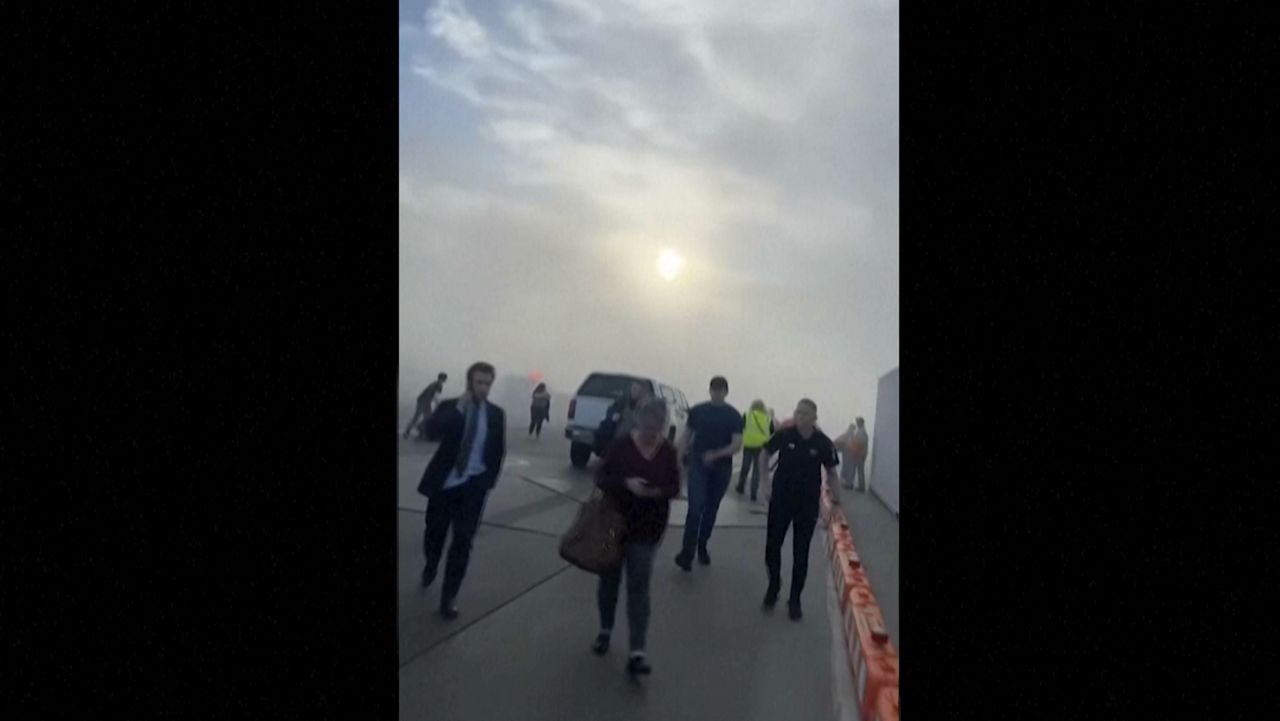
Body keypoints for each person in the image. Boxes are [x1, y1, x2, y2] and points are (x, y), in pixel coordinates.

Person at [591, 398, 680, 676]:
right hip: (614, 523)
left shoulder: (667, 452)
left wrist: (654, 492)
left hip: (647, 530)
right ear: (639, 422)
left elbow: (674, 487)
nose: (651, 434)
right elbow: (601, 478)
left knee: (639, 588)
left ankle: (637, 651)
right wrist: (626, 483)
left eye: (657, 429)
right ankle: (605, 630)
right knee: (609, 580)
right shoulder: (621, 446)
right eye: (647, 428)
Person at [416, 362, 507, 620]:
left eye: (487, 383)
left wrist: (488, 482)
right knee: (434, 532)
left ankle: (449, 597)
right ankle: (431, 563)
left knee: (463, 541)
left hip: (473, 487)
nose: (483, 388)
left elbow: (498, 451)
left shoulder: (496, 414)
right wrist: (458, 409)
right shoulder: (450, 407)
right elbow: (431, 432)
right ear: (470, 382)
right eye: (479, 382)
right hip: (445, 484)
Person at [760, 399, 839, 621]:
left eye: (805, 413)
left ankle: (795, 599)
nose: (800, 416)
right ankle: (774, 585)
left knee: (800, 554)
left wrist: (836, 504)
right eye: (798, 412)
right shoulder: (785, 435)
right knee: (772, 547)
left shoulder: (823, 443)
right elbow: (764, 453)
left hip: (807, 504)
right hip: (781, 500)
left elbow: (832, 473)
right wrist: (764, 482)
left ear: (814, 417)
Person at [674, 376, 742, 571]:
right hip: (698, 464)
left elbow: (736, 445)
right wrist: (678, 457)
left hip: (721, 468)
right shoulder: (697, 411)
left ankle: (702, 544)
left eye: (720, 389)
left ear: (726, 392)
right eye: (714, 389)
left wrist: (716, 454)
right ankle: (687, 553)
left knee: (711, 508)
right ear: (710, 390)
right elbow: (686, 436)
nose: (717, 392)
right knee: (695, 508)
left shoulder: (733, 416)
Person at [736, 399, 775, 501]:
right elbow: (772, 432)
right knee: (757, 470)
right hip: (761, 446)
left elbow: (740, 427)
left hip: (748, 444)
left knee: (745, 466)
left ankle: (741, 486)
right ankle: (753, 492)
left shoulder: (747, 415)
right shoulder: (768, 419)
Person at [404, 372, 447, 440]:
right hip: (424, 402)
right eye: (445, 379)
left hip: (422, 400)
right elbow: (436, 396)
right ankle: (419, 428)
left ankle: (412, 430)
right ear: (443, 379)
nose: (445, 380)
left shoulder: (434, 383)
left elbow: (431, 394)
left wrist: (436, 403)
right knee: (427, 417)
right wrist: (439, 404)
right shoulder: (439, 385)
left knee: (420, 416)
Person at [834, 417, 870, 491]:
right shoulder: (859, 432)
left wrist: (850, 443)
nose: (857, 423)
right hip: (855, 454)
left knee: (857, 470)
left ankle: (857, 486)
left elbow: (859, 443)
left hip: (858, 454)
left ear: (861, 423)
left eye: (858, 422)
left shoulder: (861, 432)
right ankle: (852, 484)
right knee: (852, 469)